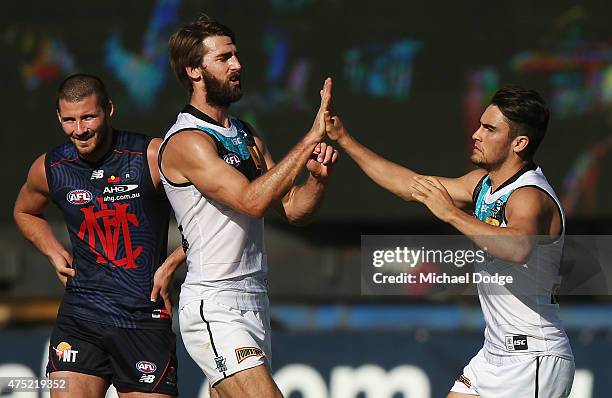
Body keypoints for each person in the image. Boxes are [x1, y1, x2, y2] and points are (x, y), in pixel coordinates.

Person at [325, 86, 574, 397]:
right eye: (480, 124)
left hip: (532, 357)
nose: (476, 134)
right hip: (494, 354)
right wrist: (344, 140)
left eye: (489, 129)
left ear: (519, 143)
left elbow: (518, 247)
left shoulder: (529, 196)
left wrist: (452, 215)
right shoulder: (482, 184)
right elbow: (410, 186)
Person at [154, 15, 337, 398]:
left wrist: (316, 178)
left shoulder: (246, 133)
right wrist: (311, 137)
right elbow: (251, 202)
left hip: (254, 298)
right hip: (213, 302)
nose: (237, 65)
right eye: (224, 58)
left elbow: (293, 209)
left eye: (236, 55)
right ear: (194, 71)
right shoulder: (188, 140)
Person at [13, 74, 185, 398]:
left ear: (109, 110)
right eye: (70, 120)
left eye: (88, 117)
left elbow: (213, 212)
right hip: (81, 315)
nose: (80, 130)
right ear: (59, 119)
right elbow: (24, 211)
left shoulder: (152, 156)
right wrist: (51, 250)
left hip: (142, 317)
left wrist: (172, 263)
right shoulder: (51, 167)